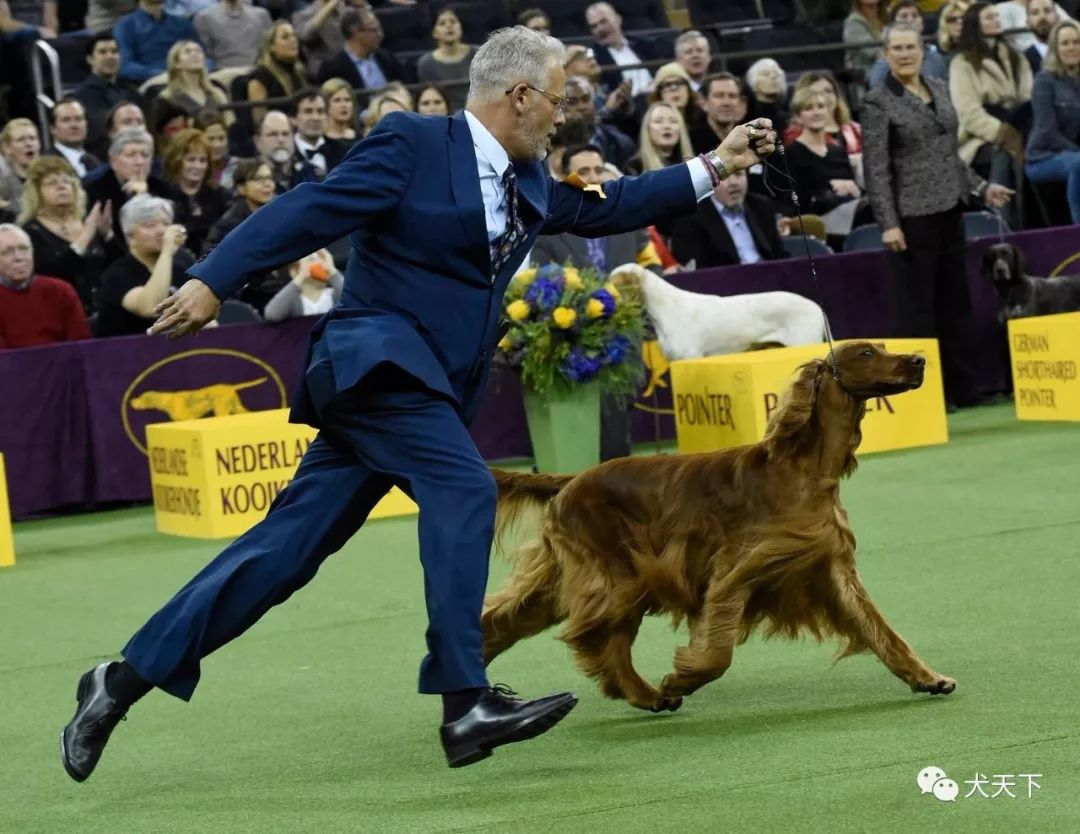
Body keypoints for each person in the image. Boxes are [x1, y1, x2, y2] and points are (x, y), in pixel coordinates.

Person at [60, 25, 776, 780]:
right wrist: (215, 277)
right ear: (521, 95)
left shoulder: (530, 179)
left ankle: (120, 680)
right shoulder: (412, 143)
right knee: (465, 486)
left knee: (282, 556)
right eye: (558, 99)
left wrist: (714, 163)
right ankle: (465, 700)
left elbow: (606, 203)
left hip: (420, 391)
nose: (565, 115)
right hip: (376, 366)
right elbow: (310, 207)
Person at [862, 22, 1012, 408]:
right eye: (897, 48)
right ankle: (926, 397)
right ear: (885, 54)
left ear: (923, 49)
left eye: (911, 46)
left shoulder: (941, 89)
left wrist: (982, 188)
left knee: (956, 304)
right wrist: (889, 224)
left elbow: (949, 156)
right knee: (918, 311)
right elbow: (876, 168)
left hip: (951, 209)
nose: (905, 54)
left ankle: (966, 388)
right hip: (911, 218)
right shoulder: (878, 101)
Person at [1024, 20, 1080, 221]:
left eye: (1076, 42)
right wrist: (1075, 149)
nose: (1072, 47)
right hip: (1043, 157)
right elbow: (1047, 130)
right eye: (1065, 43)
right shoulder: (1044, 81)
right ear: (1055, 49)